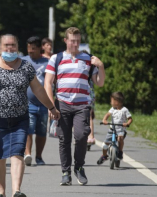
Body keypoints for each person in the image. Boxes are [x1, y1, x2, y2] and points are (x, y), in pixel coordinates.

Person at [0, 34, 60, 197]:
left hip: (19, 118)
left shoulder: (25, 67)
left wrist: (51, 107)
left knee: (18, 152)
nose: (9, 48)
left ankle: (16, 191)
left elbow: (38, 89)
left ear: (17, 46)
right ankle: (1, 191)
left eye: (12, 45)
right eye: (6, 45)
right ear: (0, 47)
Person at [44, 27, 105, 186]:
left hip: (82, 105)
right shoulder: (56, 58)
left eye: (78, 41)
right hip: (62, 104)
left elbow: (99, 83)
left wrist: (101, 66)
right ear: (66, 41)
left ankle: (79, 166)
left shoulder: (88, 58)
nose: (75, 44)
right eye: (72, 41)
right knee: (64, 139)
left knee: (81, 135)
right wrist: (51, 106)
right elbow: (47, 83)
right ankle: (65, 172)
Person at [21, 36, 49, 166]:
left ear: (39, 48)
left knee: (41, 132)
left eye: (33, 48)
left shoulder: (47, 62)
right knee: (29, 130)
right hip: (28, 103)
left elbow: (52, 82)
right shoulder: (23, 61)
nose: (30, 51)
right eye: (28, 48)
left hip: (43, 103)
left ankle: (39, 156)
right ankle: (28, 154)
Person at [97, 92, 133, 164]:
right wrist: (104, 120)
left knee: (120, 138)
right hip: (112, 130)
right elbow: (107, 114)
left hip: (121, 130)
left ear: (117, 102)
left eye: (111, 101)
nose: (111, 102)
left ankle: (120, 151)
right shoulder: (112, 109)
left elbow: (130, 119)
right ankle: (104, 156)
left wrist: (127, 123)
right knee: (105, 145)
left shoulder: (124, 110)